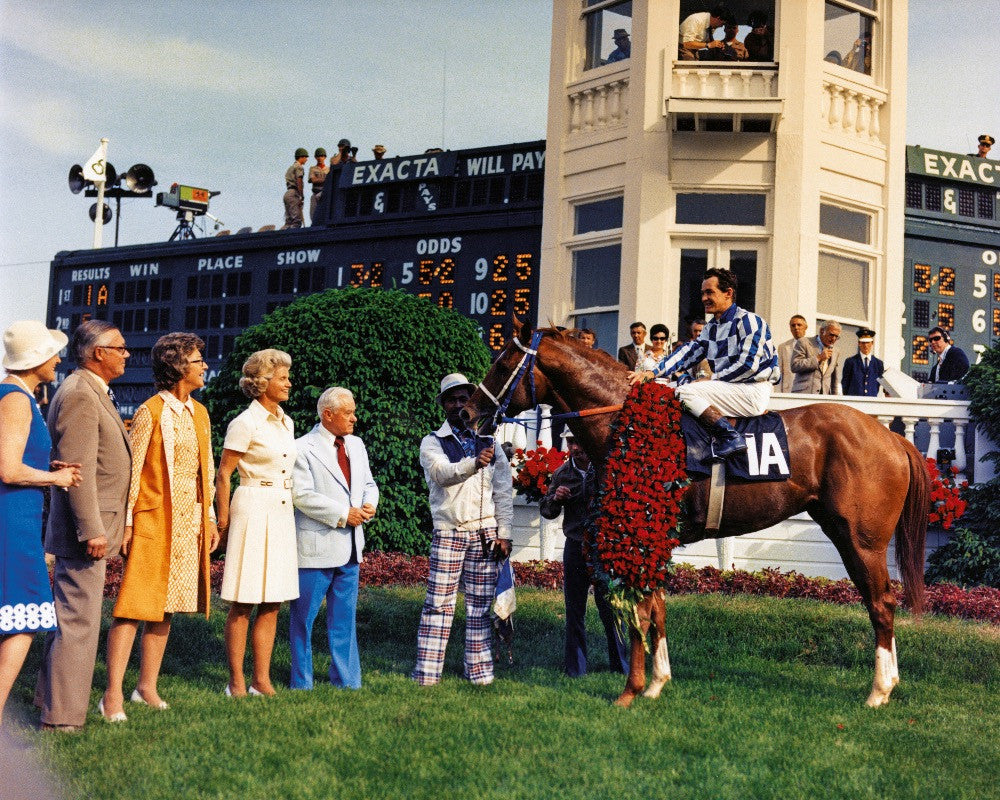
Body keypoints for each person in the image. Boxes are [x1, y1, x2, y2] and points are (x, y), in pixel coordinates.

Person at [99, 333, 219, 722]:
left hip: (189, 521)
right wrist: (130, 522)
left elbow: (209, 470)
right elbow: (133, 472)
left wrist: (211, 518)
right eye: (198, 360)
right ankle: (112, 694)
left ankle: (146, 686)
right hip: (152, 518)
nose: (204, 366)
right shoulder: (151, 411)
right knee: (134, 605)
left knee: (167, 606)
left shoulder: (200, 413)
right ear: (178, 366)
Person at [37, 320, 131, 732]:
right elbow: (77, 470)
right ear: (98, 353)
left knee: (71, 619)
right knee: (79, 622)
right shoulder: (80, 393)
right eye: (120, 348)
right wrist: (91, 528)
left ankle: (49, 699)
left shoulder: (89, 390)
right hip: (86, 530)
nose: (127, 354)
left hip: (94, 524)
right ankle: (62, 719)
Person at [0, 322, 79, 726]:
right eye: (53, 353)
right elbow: (9, 469)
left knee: (16, 613)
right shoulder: (15, 398)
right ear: (35, 360)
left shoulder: (18, 396)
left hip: (17, 516)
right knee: (25, 614)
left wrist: (47, 467)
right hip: (11, 520)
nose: (59, 359)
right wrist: (56, 478)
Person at [412, 374, 513, 686]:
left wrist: (505, 533)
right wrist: (474, 463)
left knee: (481, 606)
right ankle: (427, 675)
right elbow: (442, 474)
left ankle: (479, 673)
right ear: (443, 405)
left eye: (463, 399)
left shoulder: (490, 442)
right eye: (452, 399)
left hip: (486, 533)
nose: (458, 404)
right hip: (449, 530)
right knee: (438, 605)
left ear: (472, 402)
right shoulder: (432, 441)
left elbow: (504, 491)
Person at [629, 268, 778, 461]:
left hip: (752, 390)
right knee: (666, 388)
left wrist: (712, 377)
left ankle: (731, 437)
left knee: (684, 392)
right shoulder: (712, 327)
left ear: (728, 293)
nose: (704, 298)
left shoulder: (749, 321)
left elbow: (748, 366)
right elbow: (687, 353)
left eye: (709, 292)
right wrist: (651, 373)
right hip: (730, 388)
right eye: (702, 293)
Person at [216, 349, 298, 697]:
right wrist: (222, 520)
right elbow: (224, 473)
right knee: (244, 599)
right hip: (251, 508)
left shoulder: (286, 421)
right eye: (282, 378)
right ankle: (236, 681)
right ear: (263, 383)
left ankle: (261, 680)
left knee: (273, 600)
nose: (289, 383)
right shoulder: (244, 423)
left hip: (281, 510)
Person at [290, 387, 378, 690]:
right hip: (315, 550)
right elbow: (301, 495)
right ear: (328, 415)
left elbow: (368, 483)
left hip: (351, 548)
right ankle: (302, 682)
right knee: (303, 621)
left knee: (345, 622)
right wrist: (343, 513)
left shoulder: (357, 444)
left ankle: (347, 682)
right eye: (348, 412)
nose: (355, 417)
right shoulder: (301, 447)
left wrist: (370, 503)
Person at [539, 431, 627, 677]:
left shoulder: (605, 468)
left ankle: (621, 666)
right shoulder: (561, 474)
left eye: (580, 440)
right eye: (571, 442)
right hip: (576, 546)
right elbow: (547, 511)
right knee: (574, 609)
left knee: (611, 607)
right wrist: (556, 499)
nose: (576, 447)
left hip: (604, 549)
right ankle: (576, 669)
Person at [791, 320, 843, 395]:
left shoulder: (836, 351)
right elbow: (795, 366)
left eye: (836, 336)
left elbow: (834, 378)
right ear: (822, 331)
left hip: (824, 397)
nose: (834, 339)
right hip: (804, 395)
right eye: (831, 335)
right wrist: (818, 358)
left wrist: (835, 398)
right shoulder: (804, 342)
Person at [841, 328, 884, 397]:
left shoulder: (878, 364)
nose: (865, 345)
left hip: (871, 400)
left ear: (872, 343)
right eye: (863, 342)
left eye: (868, 342)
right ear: (859, 343)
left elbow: (877, 385)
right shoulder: (851, 362)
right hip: (854, 400)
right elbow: (845, 384)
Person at [777, 315, 808, 393]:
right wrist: (778, 393)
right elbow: (779, 372)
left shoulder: (813, 346)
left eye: (799, 325)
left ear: (805, 327)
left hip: (806, 389)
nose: (796, 327)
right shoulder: (783, 347)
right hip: (788, 390)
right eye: (793, 325)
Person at [282, 148, 308, 229]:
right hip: (294, 193)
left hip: (287, 194)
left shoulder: (290, 168)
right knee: (296, 221)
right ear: (301, 157)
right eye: (305, 157)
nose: (306, 159)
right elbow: (299, 180)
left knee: (288, 221)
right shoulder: (299, 167)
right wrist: (301, 195)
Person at [308, 148, 329, 225]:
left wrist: (319, 179)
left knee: (324, 214)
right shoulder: (313, 169)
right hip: (315, 192)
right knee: (313, 214)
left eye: (322, 156)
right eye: (318, 156)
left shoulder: (328, 169)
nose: (320, 158)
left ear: (325, 157)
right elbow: (313, 180)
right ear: (315, 157)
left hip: (324, 193)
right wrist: (325, 179)